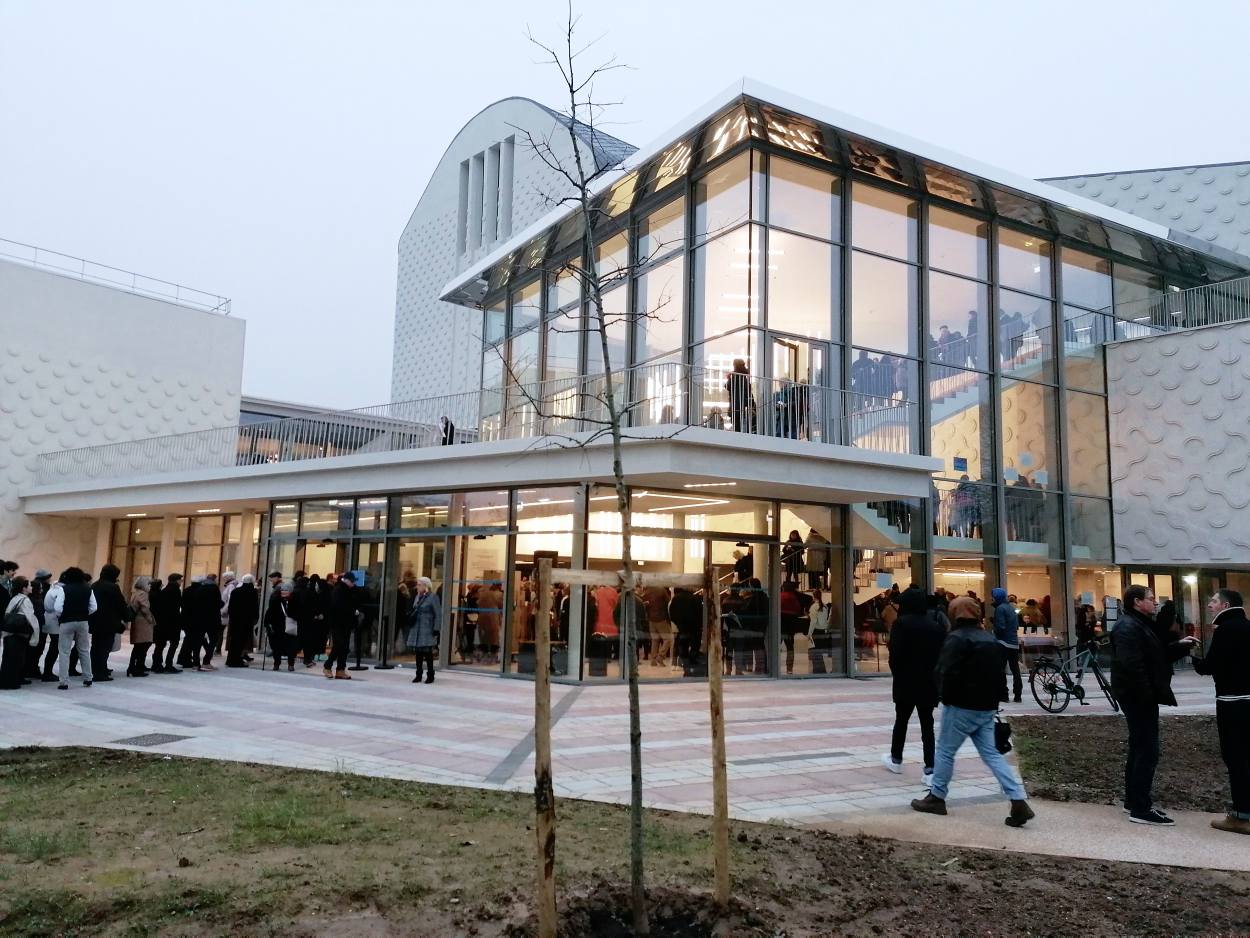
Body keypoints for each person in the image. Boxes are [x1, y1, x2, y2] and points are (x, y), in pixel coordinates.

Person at [911, 611, 1035, 827]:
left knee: (945, 751)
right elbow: (999, 674)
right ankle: (1017, 799)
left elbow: (944, 670)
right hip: (986, 707)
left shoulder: (957, 639)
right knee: (992, 754)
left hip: (961, 705)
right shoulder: (990, 639)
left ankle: (937, 797)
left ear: (956, 616)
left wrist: (943, 694)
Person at [1110, 584, 1198, 825]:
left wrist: (1180, 647)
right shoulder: (1128, 626)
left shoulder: (1139, 624)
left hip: (1140, 695)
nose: (1156, 602)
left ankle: (1133, 800)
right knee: (1147, 750)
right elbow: (1133, 665)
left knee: (1140, 747)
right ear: (1137, 602)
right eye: (1151, 599)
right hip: (1138, 697)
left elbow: (1154, 656)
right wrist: (1147, 694)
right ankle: (1140, 808)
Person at [1192, 588, 1250, 835]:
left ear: (1225, 606)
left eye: (1213, 602)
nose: (1209, 606)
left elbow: (1209, 667)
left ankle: (1241, 816)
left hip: (1231, 702)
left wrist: (1190, 655)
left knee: (1235, 758)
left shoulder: (1225, 630)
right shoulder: (1247, 626)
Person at [882, 586, 945, 782]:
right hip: (928, 682)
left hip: (906, 681)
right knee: (927, 724)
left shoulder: (901, 624)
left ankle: (896, 758)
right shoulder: (934, 626)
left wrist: (898, 675)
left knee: (901, 720)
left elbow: (895, 655)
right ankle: (930, 767)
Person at [53, 567, 96, 689]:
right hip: (83, 622)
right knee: (84, 650)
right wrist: (84, 613)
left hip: (67, 622)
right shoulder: (88, 589)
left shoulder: (63, 589)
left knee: (64, 651)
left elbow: (58, 608)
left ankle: (64, 681)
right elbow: (94, 607)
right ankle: (88, 678)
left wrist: (62, 615)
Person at [89, 563, 129, 682]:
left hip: (95, 621)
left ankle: (94, 670)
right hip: (109, 622)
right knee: (104, 648)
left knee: (95, 647)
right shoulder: (113, 587)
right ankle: (100, 673)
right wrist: (127, 616)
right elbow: (120, 604)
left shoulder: (94, 585)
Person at [1, 576, 40, 689]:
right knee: (17, 659)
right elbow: (31, 619)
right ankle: (12, 683)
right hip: (20, 634)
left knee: (8, 659)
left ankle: (5, 681)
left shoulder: (14, 598)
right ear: (24, 588)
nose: (31, 587)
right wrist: (35, 636)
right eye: (29, 585)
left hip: (10, 633)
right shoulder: (25, 600)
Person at [324, 572, 361, 679]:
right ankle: (327, 666)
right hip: (338, 623)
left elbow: (354, 602)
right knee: (339, 645)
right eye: (352, 581)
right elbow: (338, 606)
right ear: (346, 580)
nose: (354, 583)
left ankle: (340, 669)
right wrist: (353, 611)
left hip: (347, 623)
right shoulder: (339, 590)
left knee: (344, 647)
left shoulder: (351, 591)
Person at [406, 576, 441, 684]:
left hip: (427, 628)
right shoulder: (417, 597)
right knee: (418, 653)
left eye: (419, 585)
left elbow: (438, 614)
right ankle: (418, 674)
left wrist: (436, 629)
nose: (417, 587)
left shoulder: (433, 597)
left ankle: (430, 675)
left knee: (428, 653)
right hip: (416, 628)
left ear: (426, 586)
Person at [991, 587, 1022, 703]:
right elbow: (1016, 626)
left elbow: (1001, 627)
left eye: (993, 596)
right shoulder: (1011, 608)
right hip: (1014, 643)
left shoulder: (1000, 609)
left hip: (1003, 643)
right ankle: (1018, 694)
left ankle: (1004, 694)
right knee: (1015, 670)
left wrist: (995, 631)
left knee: (1001, 669)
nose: (992, 599)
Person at [225, 574, 260, 667]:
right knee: (241, 641)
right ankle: (236, 660)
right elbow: (255, 607)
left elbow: (231, 607)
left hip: (235, 620)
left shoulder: (236, 591)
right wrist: (256, 618)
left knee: (234, 641)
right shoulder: (253, 592)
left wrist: (231, 617)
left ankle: (230, 659)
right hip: (246, 620)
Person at [26, 569, 55, 681]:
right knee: (37, 647)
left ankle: (30, 668)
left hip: (36, 624)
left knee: (34, 647)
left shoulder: (35, 587)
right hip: (38, 624)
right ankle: (32, 668)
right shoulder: (41, 590)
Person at [152, 574, 184, 673]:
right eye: (180, 580)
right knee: (174, 643)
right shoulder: (176, 590)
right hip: (173, 621)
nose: (181, 582)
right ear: (176, 581)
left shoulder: (164, 590)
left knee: (160, 644)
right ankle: (168, 664)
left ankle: (156, 664)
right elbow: (177, 606)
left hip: (162, 622)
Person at [126, 577, 156, 677]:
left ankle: (133, 667)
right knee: (143, 645)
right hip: (143, 622)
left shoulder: (135, 593)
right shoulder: (143, 594)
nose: (150, 586)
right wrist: (150, 619)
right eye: (148, 584)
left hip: (137, 621)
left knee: (138, 646)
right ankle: (137, 668)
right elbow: (144, 608)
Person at [264, 582, 297, 671]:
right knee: (289, 646)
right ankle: (289, 664)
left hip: (279, 626)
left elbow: (269, 613)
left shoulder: (275, 599)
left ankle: (277, 664)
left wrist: (267, 624)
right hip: (288, 626)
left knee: (278, 647)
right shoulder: (292, 600)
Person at [643, 583, 673, 668]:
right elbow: (668, 603)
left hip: (651, 619)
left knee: (655, 640)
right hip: (661, 618)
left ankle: (653, 660)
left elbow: (645, 605)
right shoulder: (661, 589)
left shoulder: (647, 591)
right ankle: (661, 656)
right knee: (669, 638)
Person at [725, 358, 755, 433]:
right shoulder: (744, 376)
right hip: (742, 404)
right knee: (741, 424)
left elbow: (728, 387)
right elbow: (747, 389)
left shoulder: (735, 375)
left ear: (735, 365)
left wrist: (728, 378)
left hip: (736, 404)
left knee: (737, 425)